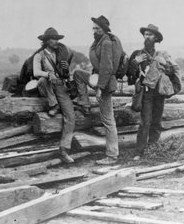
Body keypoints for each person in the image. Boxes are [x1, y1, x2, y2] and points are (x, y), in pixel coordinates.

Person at [73, 15, 122, 165]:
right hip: (98, 78)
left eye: (97, 28)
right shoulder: (99, 41)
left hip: (105, 83)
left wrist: (100, 88)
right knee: (78, 74)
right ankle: (84, 102)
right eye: (93, 28)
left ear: (104, 29)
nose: (94, 30)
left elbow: (107, 67)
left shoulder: (106, 42)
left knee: (108, 120)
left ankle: (112, 155)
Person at [127, 24, 181, 160]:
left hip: (159, 92)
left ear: (156, 38)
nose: (147, 37)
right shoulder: (137, 54)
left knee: (156, 122)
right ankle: (139, 152)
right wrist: (135, 62)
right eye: (145, 34)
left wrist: (164, 64)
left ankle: (153, 149)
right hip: (145, 92)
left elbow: (171, 73)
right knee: (145, 122)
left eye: (150, 35)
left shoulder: (162, 55)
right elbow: (128, 75)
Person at [33, 27, 76, 163]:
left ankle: (63, 149)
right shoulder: (39, 55)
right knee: (42, 80)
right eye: (53, 39)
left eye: (57, 39)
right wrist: (48, 74)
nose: (56, 41)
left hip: (60, 86)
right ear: (46, 41)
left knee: (70, 116)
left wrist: (66, 71)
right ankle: (53, 104)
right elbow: (36, 72)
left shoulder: (62, 54)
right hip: (48, 85)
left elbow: (66, 74)